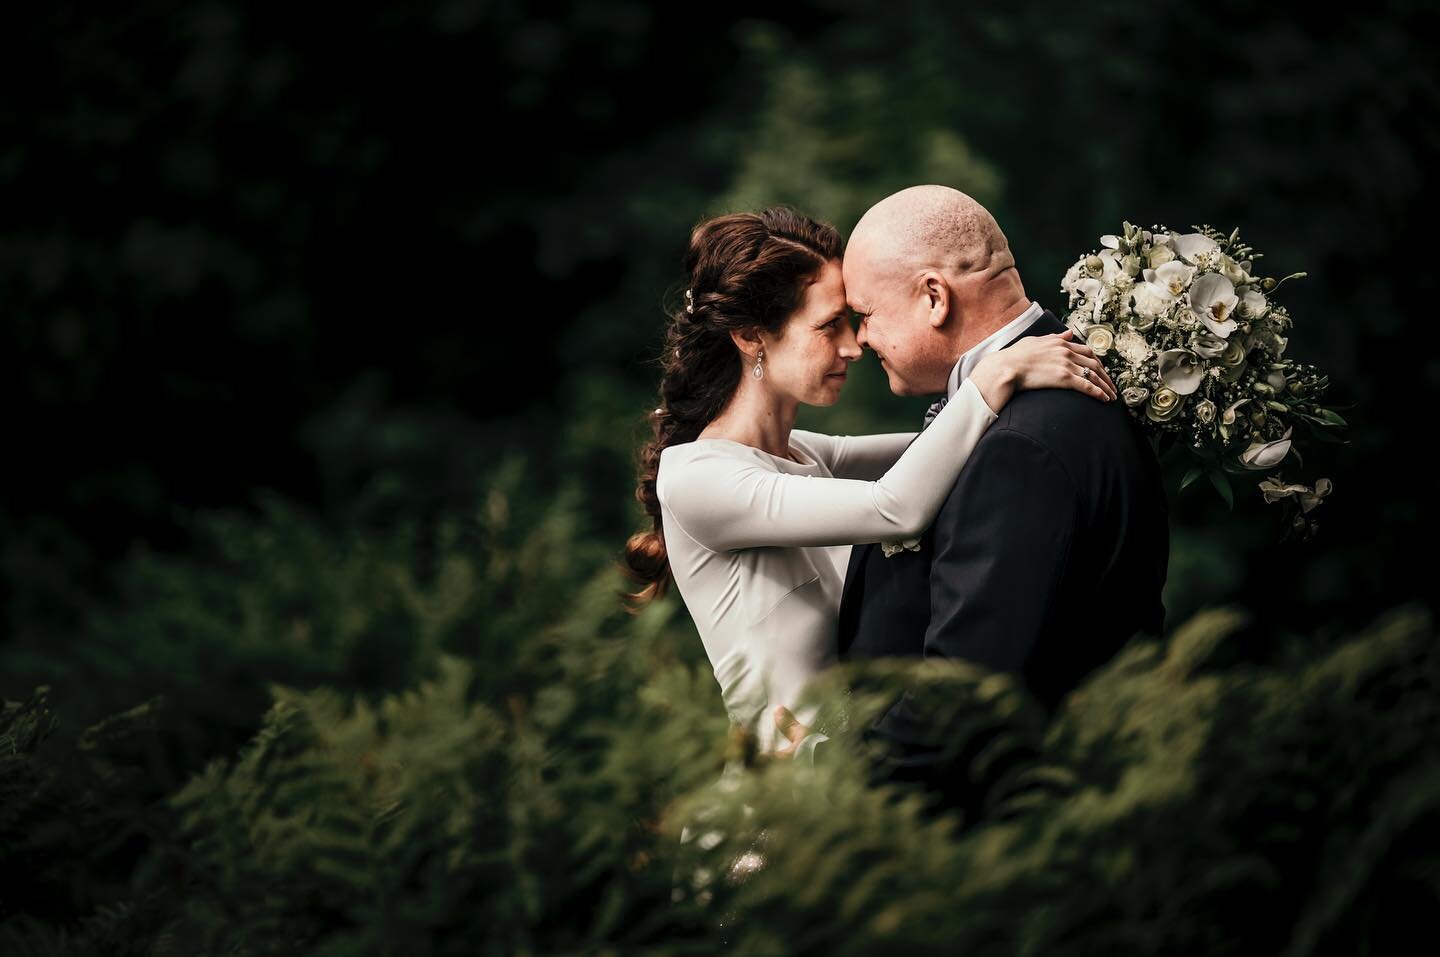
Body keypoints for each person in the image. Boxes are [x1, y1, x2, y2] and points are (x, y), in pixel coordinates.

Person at [621, 205, 1118, 765]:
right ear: (750, 336)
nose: (854, 345)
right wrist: (998, 372)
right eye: (828, 324)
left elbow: (974, 449)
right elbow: (896, 506)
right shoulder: (697, 479)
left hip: (862, 777)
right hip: (792, 794)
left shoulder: (810, 453)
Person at [781, 185, 1171, 827]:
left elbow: (966, 699)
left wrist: (826, 785)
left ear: (934, 297)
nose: (858, 341)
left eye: (867, 314)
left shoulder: (1023, 444)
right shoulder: (1046, 403)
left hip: (1009, 838)